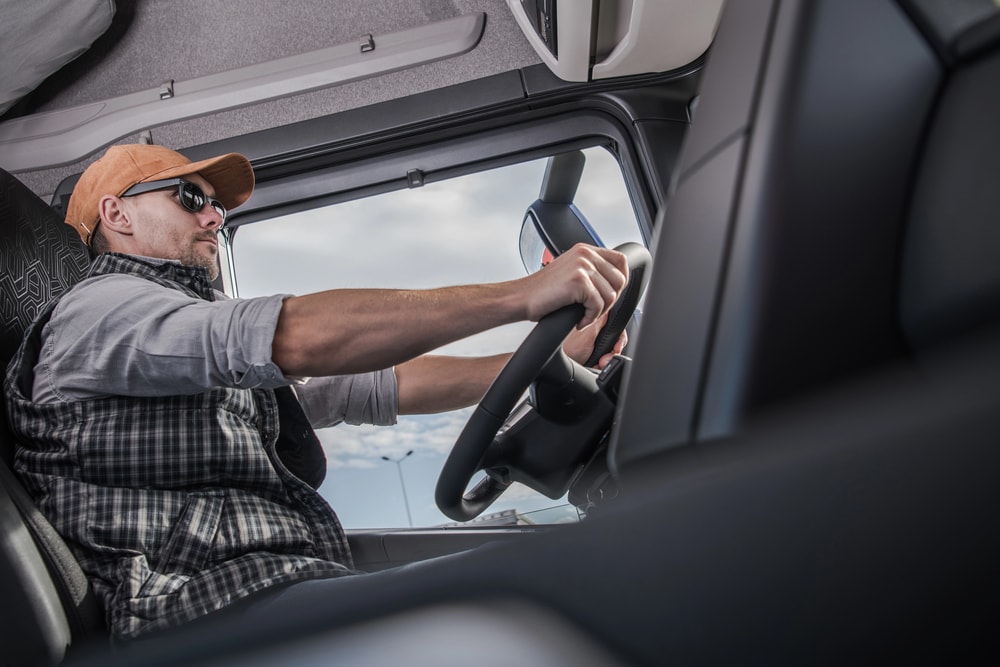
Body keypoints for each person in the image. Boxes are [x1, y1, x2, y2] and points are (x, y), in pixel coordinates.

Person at [3, 144, 629, 642]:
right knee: (560, 604)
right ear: (117, 215)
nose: (214, 216)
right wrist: (520, 297)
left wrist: (556, 357)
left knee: (551, 593)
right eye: (191, 196)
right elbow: (296, 335)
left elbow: (385, 385)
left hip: (270, 586)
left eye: (217, 205)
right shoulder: (100, 308)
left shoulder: (180, 328)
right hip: (193, 611)